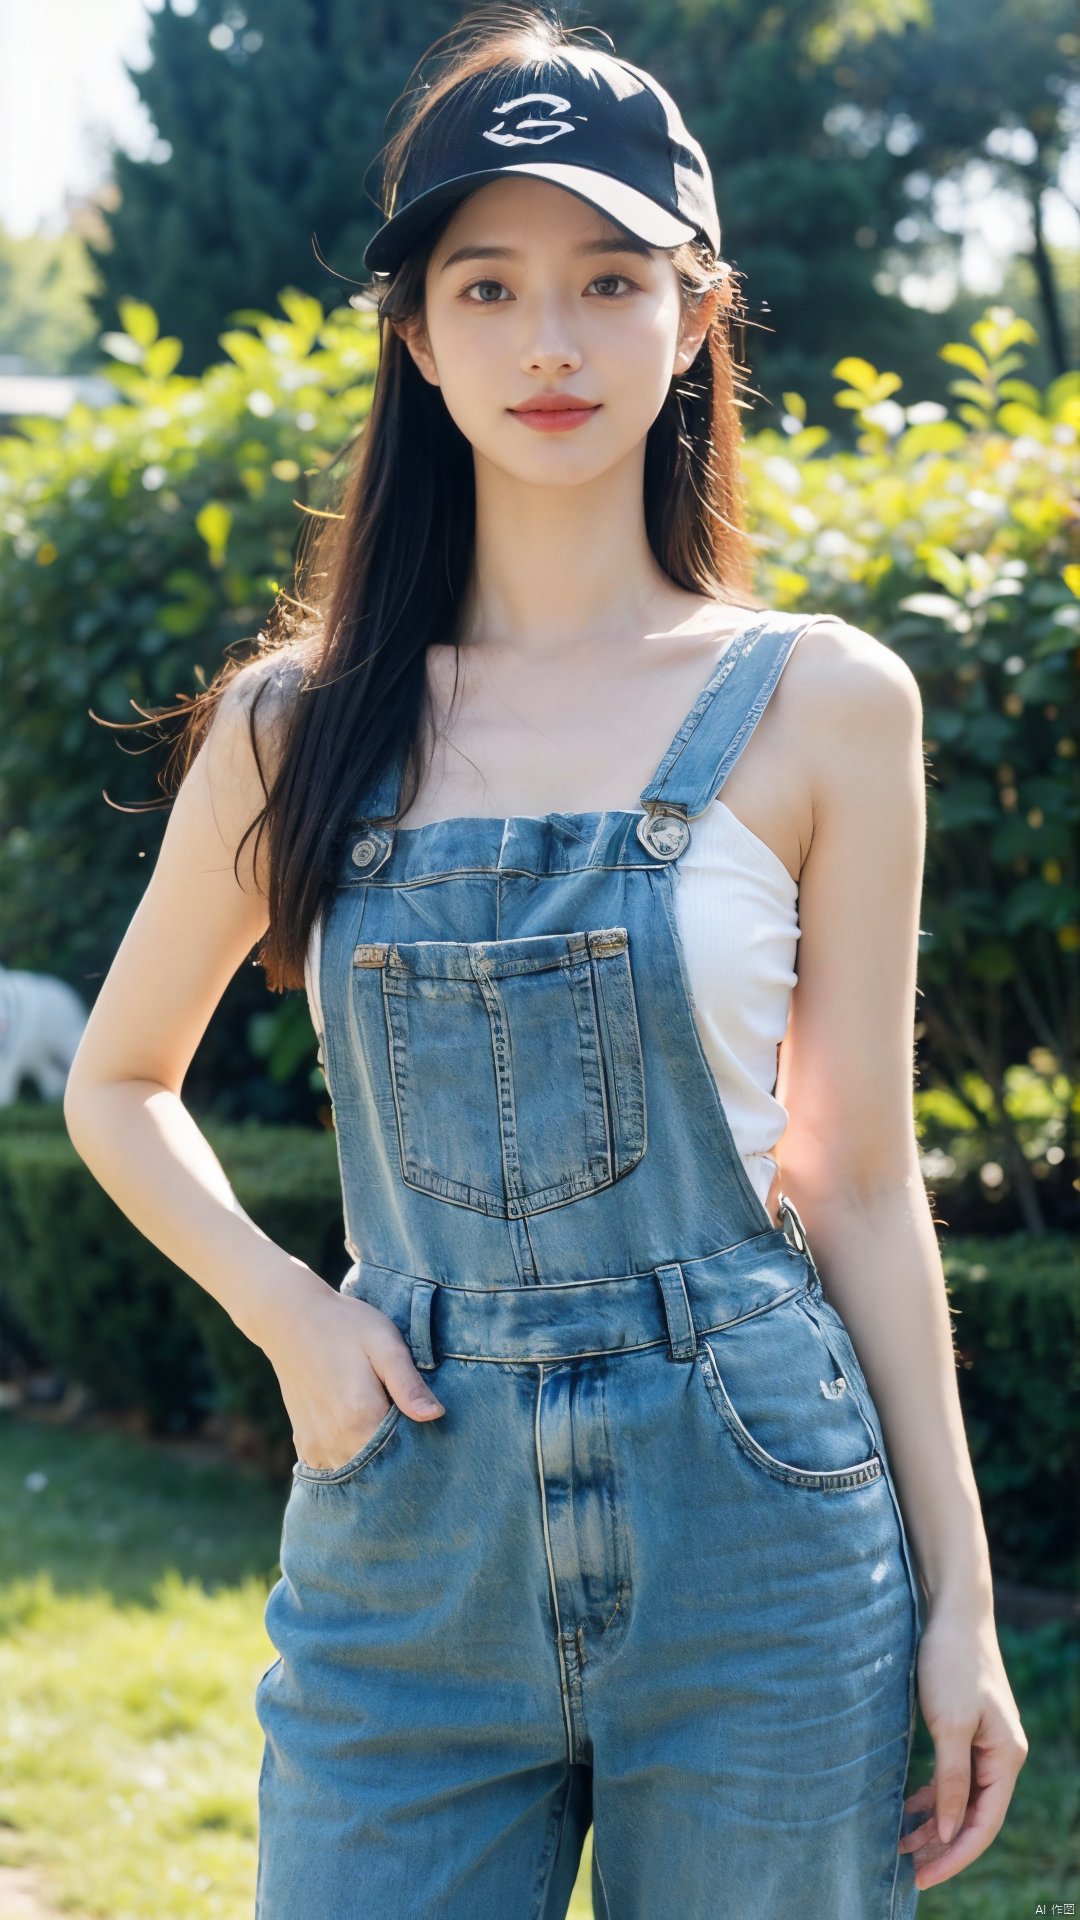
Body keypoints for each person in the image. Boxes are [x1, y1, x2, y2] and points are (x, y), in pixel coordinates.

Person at [63, 7, 1028, 1916]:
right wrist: (296, 1321)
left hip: (763, 1519)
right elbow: (118, 1081)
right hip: (406, 1530)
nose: (554, 342)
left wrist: (966, 1604)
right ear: (418, 340)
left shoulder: (828, 706)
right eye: (487, 287)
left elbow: (854, 1176)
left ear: (695, 316)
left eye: (609, 280)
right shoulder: (295, 725)